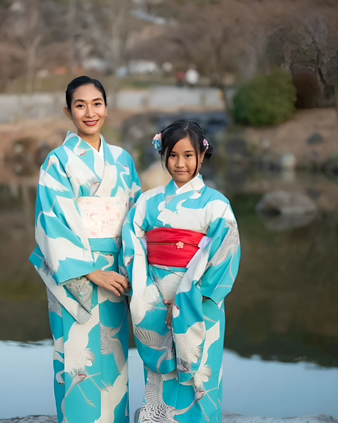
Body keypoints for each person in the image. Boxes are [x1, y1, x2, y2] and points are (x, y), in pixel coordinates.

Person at [30, 76, 141, 423]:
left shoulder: (122, 160)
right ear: (68, 112)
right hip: (77, 275)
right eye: (80, 105)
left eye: (96, 103)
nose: (89, 112)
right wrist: (92, 272)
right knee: (79, 359)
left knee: (114, 358)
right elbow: (52, 222)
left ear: (106, 108)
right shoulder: (57, 162)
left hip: (117, 275)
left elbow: (136, 219)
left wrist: (133, 268)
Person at [121, 120, 240, 423]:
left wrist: (190, 295)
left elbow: (225, 253)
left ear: (202, 155)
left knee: (201, 373)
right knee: (159, 375)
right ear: (164, 156)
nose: (180, 163)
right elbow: (132, 245)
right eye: (173, 155)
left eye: (189, 155)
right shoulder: (147, 202)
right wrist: (146, 291)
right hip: (155, 297)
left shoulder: (216, 205)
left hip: (199, 301)